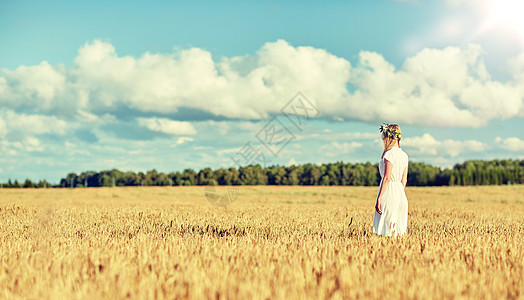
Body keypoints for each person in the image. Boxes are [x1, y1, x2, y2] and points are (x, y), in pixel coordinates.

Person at [373, 123, 409, 237]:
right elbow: (404, 180)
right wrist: (400, 194)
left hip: (389, 193)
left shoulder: (389, 154)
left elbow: (387, 178)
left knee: (386, 229)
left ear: (388, 137)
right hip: (400, 193)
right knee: (397, 230)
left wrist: (379, 198)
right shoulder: (404, 155)